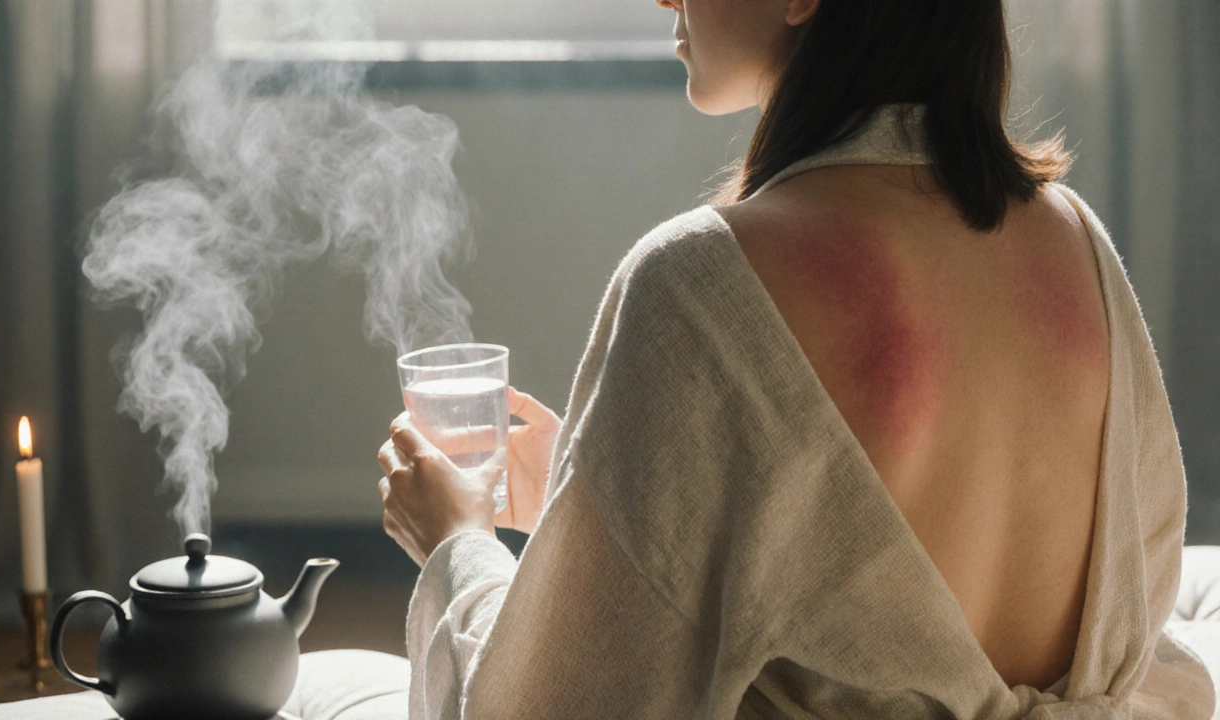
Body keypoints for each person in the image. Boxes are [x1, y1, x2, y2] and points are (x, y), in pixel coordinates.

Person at [375, 0, 1215, 717]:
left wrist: (459, 544)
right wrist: (607, 490)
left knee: (337, 682)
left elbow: (547, 707)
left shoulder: (696, 283)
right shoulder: (1079, 244)